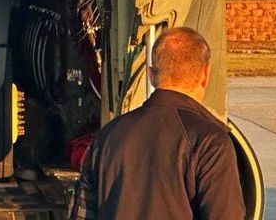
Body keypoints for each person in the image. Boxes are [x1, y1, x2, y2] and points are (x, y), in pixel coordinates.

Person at [70, 27, 245, 220]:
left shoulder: (107, 136)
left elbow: (82, 213)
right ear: (205, 74)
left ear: (151, 75)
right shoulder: (210, 142)